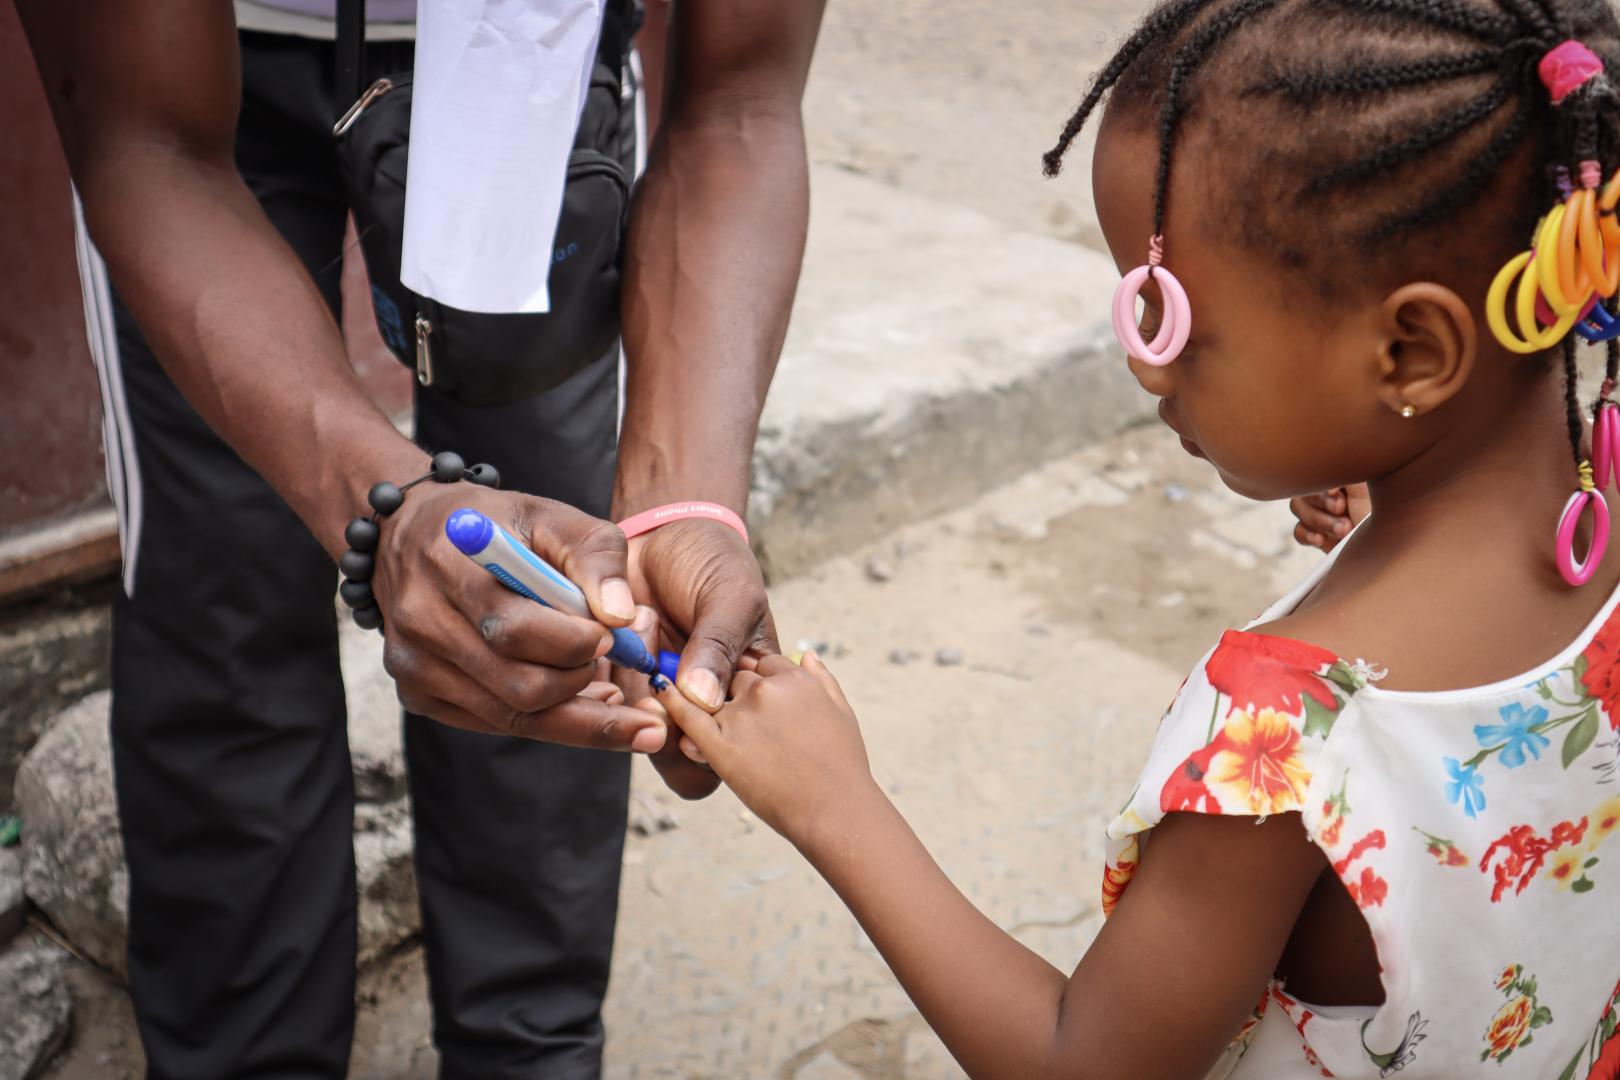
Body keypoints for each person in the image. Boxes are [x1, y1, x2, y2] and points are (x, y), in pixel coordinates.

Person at [647, 0, 1620, 1075]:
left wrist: (836, 803)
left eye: (1168, 317)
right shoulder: (1596, 506)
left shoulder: (1283, 743)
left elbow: (1084, 1063)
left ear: (1411, 355)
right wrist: (1393, 492)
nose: (1146, 368)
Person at [14, 0, 824, 1075]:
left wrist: (687, 509)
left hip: (536, 50)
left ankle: (526, 1051)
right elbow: (142, 139)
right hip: (195, 69)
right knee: (222, 602)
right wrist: (388, 512)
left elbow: (738, 104)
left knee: (567, 622)